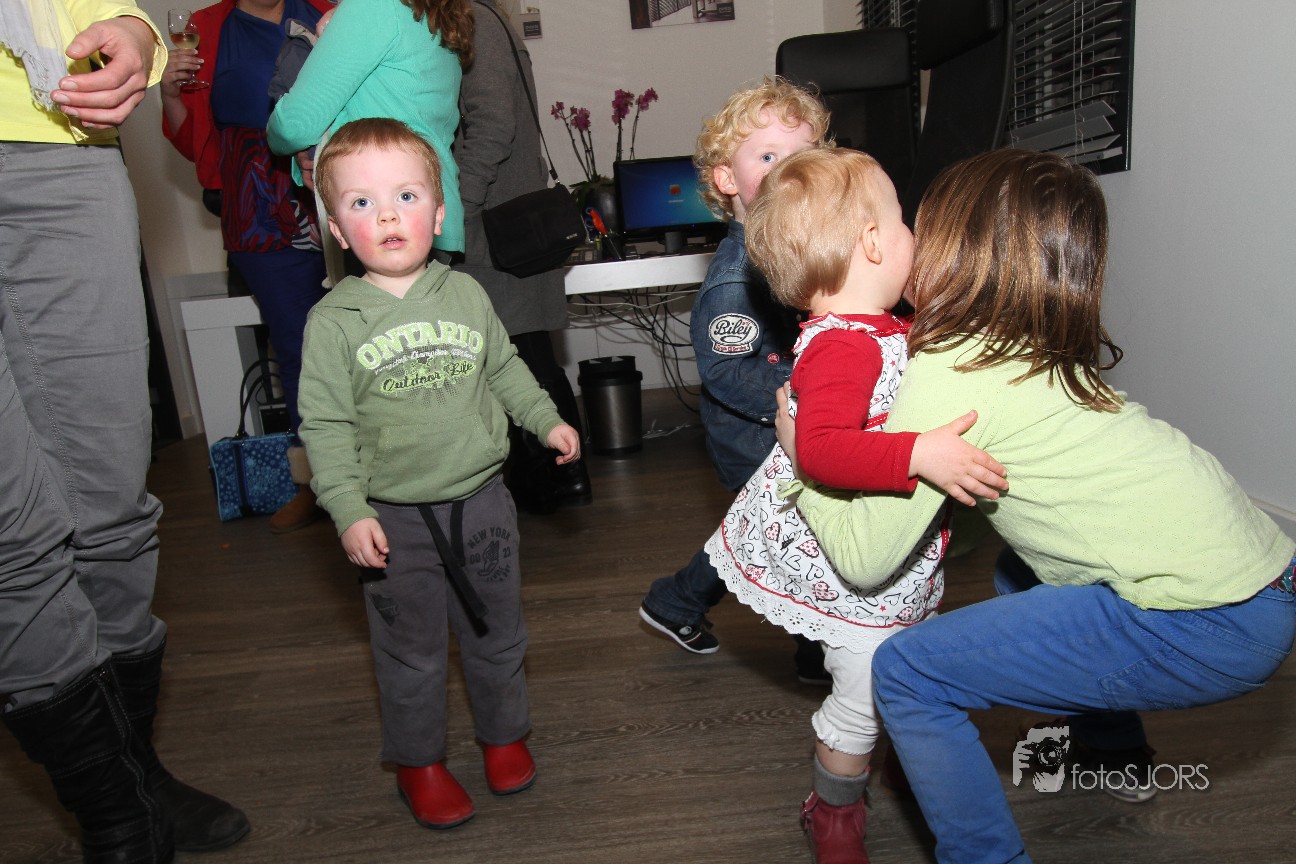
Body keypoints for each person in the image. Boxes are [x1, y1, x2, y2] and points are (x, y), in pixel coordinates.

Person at [782, 148, 1296, 864]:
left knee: (910, 672)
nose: (909, 242)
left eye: (921, 226)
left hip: (1203, 621)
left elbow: (865, 558)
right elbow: (981, 498)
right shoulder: (1027, 345)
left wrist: (801, 461)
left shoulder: (953, 371)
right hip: (1263, 578)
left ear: (958, 249)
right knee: (1017, 571)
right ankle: (1114, 751)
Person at [703, 147, 1007, 864]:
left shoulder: (874, 329)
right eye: (902, 221)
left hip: (888, 550)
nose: (911, 236)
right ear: (872, 242)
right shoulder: (844, 348)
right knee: (863, 695)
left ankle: (912, 759)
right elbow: (822, 452)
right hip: (846, 567)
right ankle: (834, 811)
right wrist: (917, 454)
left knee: (908, 660)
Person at [1, 3, 249, 860]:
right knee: (12, 535)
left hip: (58, 145)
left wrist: (135, 31)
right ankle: (117, 817)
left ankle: (132, 770)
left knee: (112, 508)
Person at [300, 118, 581, 829]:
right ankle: (419, 762)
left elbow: (505, 369)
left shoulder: (466, 295)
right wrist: (347, 509)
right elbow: (326, 427)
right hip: (393, 523)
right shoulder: (334, 322)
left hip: (482, 504)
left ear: (439, 210)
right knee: (411, 653)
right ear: (336, 229)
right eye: (361, 203)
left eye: (405, 195)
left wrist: (544, 419)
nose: (387, 215)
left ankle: (504, 735)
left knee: (498, 632)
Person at [637, 77, 829, 677]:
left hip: (784, 430)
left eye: (801, 155)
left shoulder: (792, 253)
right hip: (757, 439)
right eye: (767, 157)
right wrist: (807, 396)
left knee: (767, 533)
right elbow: (725, 372)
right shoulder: (737, 279)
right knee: (793, 537)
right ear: (726, 179)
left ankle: (680, 603)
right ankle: (813, 651)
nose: (788, 171)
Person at [161, 0, 333, 534]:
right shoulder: (208, 28)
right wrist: (169, 94)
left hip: (336, 188)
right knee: (297, 346)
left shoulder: (329, 11)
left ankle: (389, 471)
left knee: (368, 336)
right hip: (257, 205)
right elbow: (193, 140)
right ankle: (316, 483)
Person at [454, 0, 591, 514]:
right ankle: (555, 480)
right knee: (523, 353)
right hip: (501, 223)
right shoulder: (477, 19)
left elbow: (493, 124)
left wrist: (455, 209)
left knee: (523, 356)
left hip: (495, 226)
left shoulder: (474, 22)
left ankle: (559, 479)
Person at [266, 0, 471, 276]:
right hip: (427, 209)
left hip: (377, 213)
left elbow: (294, 125)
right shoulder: (432, 9)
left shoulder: (374, 6)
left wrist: (284, 141)